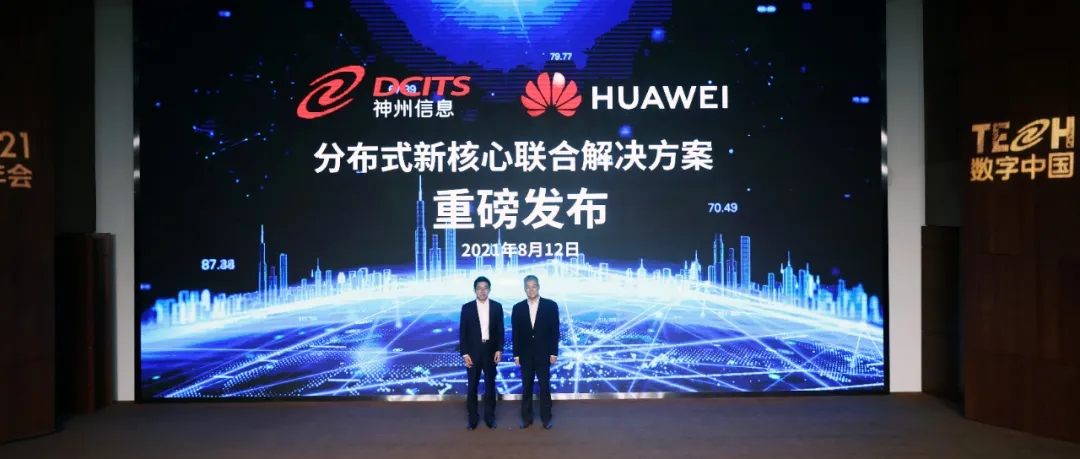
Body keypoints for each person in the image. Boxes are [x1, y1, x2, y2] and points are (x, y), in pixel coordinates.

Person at [511, 274, 560, 429]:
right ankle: (526, 418)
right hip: (525, 355)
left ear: (538, 287)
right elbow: (516, 333)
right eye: (528, 287)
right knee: (526, 387)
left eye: (534, 286)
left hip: (544, 354)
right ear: (524, 289)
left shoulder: (551, 306)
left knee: (544, 386)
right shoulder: (518, 308)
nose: (531, 289)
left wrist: (553, 353)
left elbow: (554, 331)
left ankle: (546, 417)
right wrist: (516, 354)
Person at [459, 276, 505, 430]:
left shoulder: (497, 307)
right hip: (473, 353)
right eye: (479, 288)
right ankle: (473, 419)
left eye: (485, 288)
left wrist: (499, 349)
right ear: (474, 290)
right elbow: (463, 332)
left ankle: (490, 418)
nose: (482, 291)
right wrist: (465, 353)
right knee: (472, 386)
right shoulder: (467, 308)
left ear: (489, 290)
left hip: (490, 351)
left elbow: (500, 330)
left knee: (490, 386)